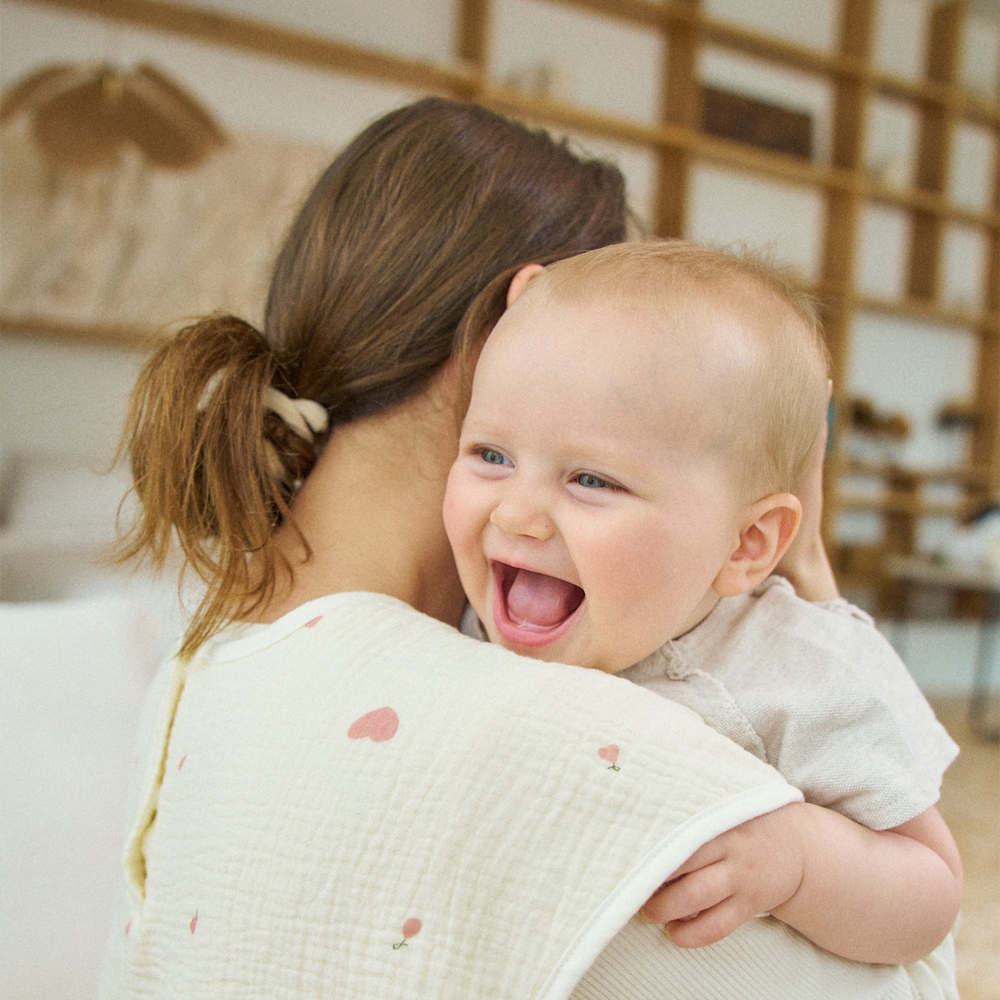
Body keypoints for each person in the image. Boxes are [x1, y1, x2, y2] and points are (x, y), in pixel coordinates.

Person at [100, 98, 935, 999]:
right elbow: (907, 973)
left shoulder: (205, 661)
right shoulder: (601, 755)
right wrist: (797, 578)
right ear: (512, 327)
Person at [443, 240, 962, 982]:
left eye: (591, 479)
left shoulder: (798, 671)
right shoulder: (461, 617)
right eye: (490, 454)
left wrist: (799, 858)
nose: (518, 511)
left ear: (747, 544)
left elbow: (933, 891)